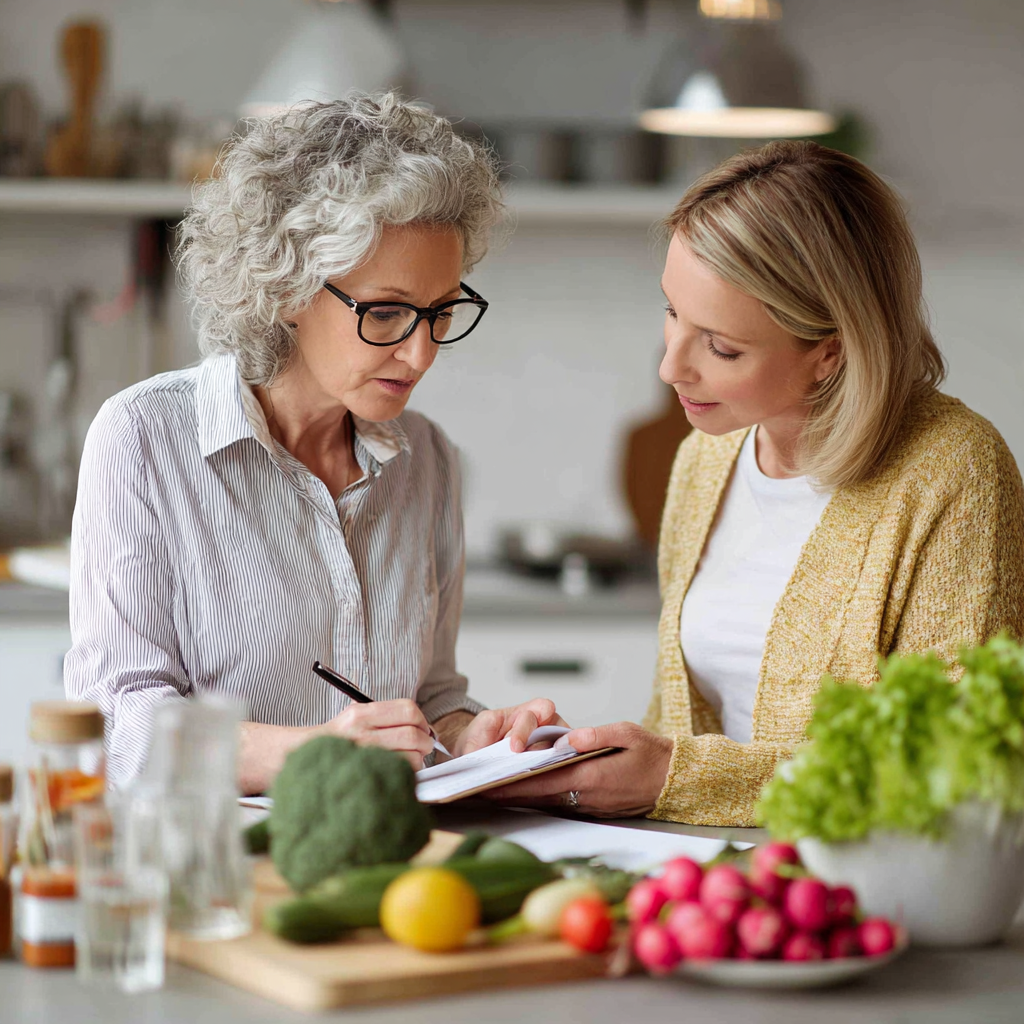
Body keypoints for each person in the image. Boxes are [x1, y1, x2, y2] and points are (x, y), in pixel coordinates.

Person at [489, 139, 1024, 825]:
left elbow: (954, 767)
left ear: (830, 353)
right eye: (671, 313)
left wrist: (674, 778)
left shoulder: (954, 472)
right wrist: (589, 760)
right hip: (706, 879)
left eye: (721, 346)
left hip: (857, 899)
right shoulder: (704, 459)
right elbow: (681, 725)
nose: (671, 367)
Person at [65, 93, 560, 790]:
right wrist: (317, 753)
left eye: (441, 313)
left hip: (384, 869)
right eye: (386, 313)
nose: (421, 355)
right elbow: (119, 725)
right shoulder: (145, 440)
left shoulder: (430, 462)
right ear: (288, 287)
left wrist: (470, 734)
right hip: (214, 869)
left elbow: (428, 699)